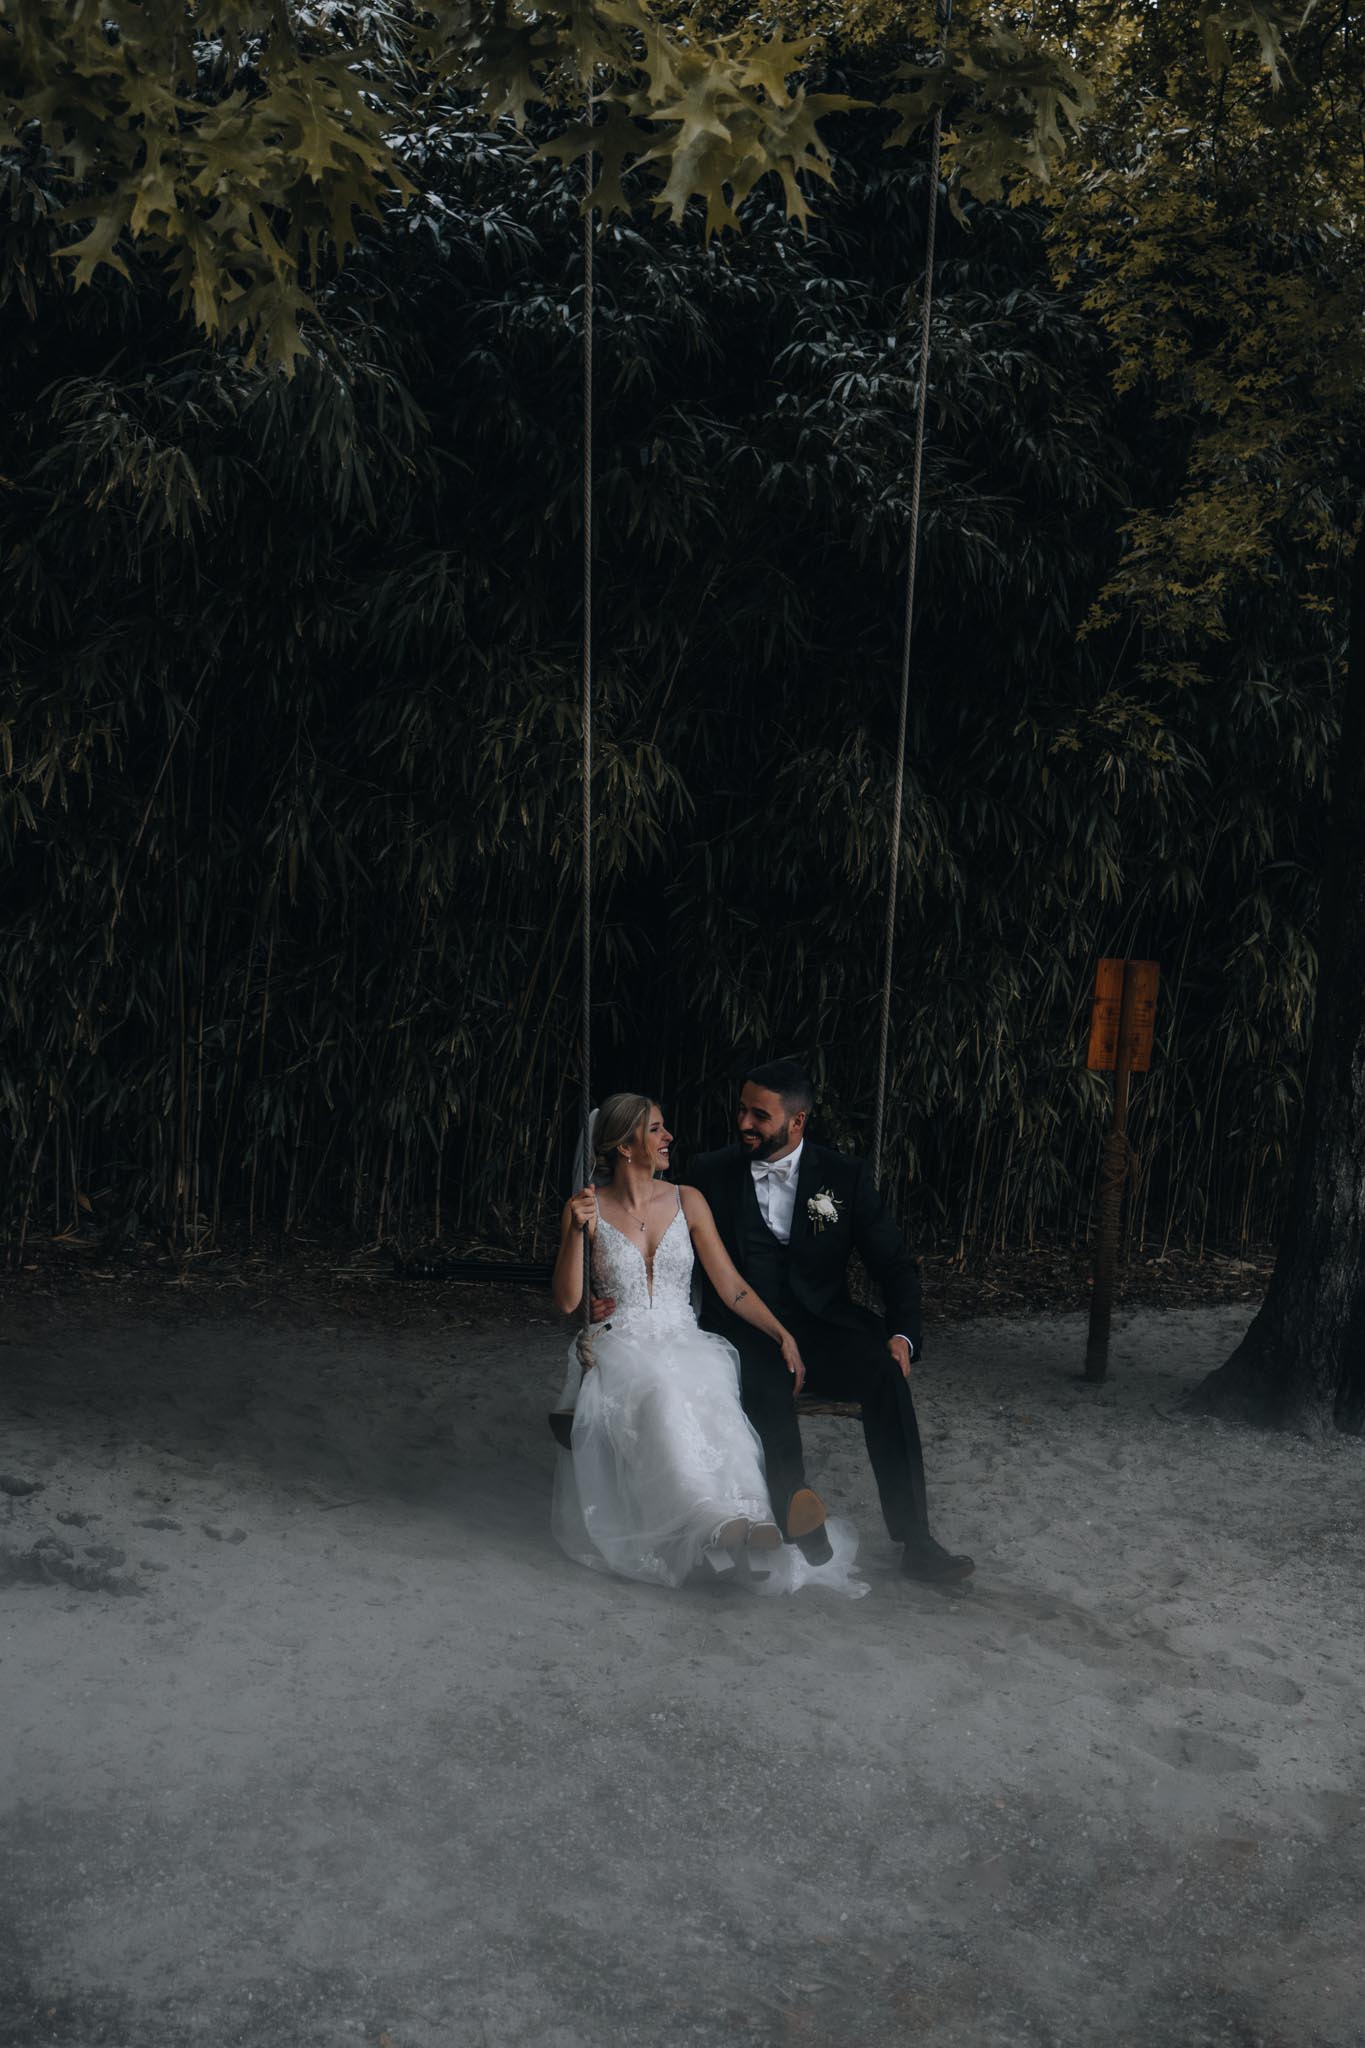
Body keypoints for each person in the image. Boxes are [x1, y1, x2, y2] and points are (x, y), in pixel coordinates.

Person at [550, 1091, 864, 1596]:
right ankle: (706, 1518)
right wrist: (574, 1228)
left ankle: (750, 1515)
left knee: (713, 1388)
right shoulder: (589, 1208)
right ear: (626, 1146)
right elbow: (567, 1302)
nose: (669, 1137)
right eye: (656, 1129)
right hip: (620, 1342)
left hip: (683, 1337)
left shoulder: (687, 1200)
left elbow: (732, 1286)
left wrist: (779, 1332)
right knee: (662, 1393)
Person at [683, 1059, 974, 1585]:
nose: (744, 1122)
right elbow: (661, 1240)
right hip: (745, 1330)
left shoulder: (842, 1177)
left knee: (884, 1375)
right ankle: (798, 1515)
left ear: (797, 1122)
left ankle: (917, 1540)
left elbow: (893, 1263)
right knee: (765, 1386)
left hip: (823, 1328)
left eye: (759, 1115)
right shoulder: (709, 1172)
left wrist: (905, 1335)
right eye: (742, 1109)